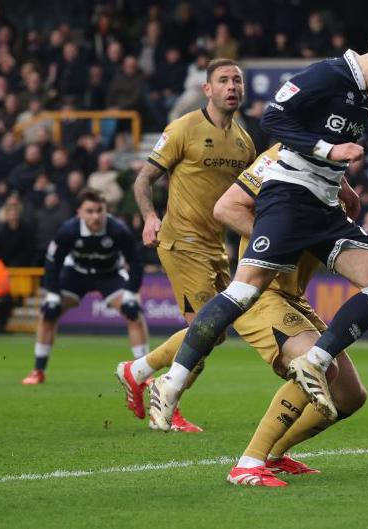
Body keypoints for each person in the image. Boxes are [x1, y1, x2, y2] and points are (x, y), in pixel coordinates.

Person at [147, 14, 368, 430]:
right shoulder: (329, 74)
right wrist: (328, 152)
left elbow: (328, 148)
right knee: (244, 292)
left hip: (322, 207)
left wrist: (341, 183)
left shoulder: (362, 95)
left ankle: (315, 362)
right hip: (289, 196)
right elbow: (275, 118)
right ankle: (170, 382)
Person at [119, 146, 368, 486]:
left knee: (351, 395)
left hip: (294, 299)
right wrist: (276, 243)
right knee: (319, 366)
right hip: (263, 295)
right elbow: (227, 208)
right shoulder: (283, 157)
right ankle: (249, 463)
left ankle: (275, 455)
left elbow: (344, 242)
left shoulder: (329, 178)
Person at [123, 58, 256, 431]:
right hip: (181, 239)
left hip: (216, 247)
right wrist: (151, 217)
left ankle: (138, 371)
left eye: (237, 81)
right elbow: (143, 180)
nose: (232, 86)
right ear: (208, 89)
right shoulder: (183, 128)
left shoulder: (245, 142)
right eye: (224, 80)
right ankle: (166, 401)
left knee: (215, 334)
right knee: (203, 329)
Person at [23, 188, 148, 384]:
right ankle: (38, 371)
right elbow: (52, 262)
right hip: (76, 274)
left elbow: (136, 263)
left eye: (100, 210)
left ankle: (143, 375)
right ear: (79, 213)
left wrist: (131, 295)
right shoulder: (68, 230)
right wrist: (54, 295)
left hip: (109, 275)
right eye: (89, 211)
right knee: (48, 313)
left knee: (134, 314)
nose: (96, 216)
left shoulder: (118, 229)